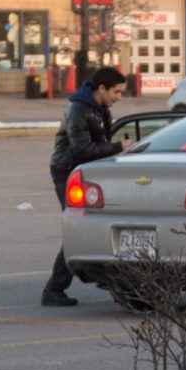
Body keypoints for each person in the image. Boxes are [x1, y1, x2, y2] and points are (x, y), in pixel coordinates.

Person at [41, 66, 132, 306]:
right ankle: (54, 289)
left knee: (98, 226)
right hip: (68, 172)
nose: (119, 97)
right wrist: (118, 148)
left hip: (86, 171)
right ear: (101, 89)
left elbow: (98, 143)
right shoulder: (79, 110)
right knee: (78, 228)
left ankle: (113, 281)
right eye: (116, 92)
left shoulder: (99, 109)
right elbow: (82, 148)